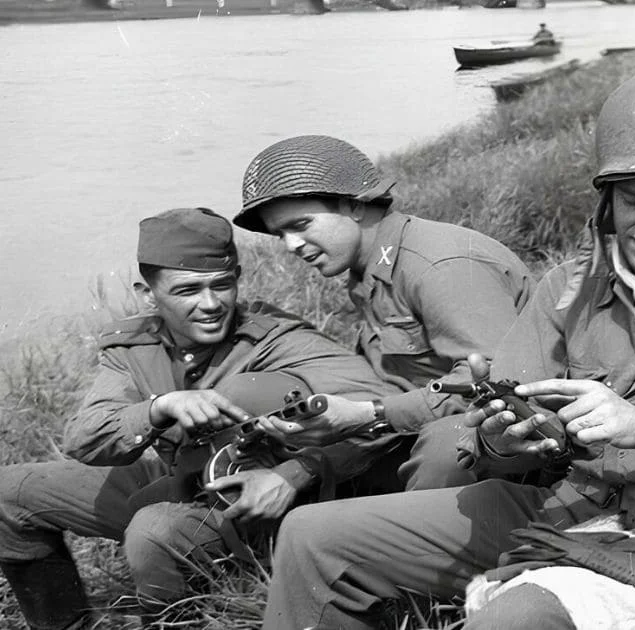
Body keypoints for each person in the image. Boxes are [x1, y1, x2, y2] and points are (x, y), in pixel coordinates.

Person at [259, 67, 635, 630]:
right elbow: (492, 432)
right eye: (633, 202)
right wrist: (501, 439)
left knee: (513, 619)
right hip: (566, 505)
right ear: (607, 199)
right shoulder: (568, 289)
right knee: (312, 537)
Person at [0, 207, 409, 629]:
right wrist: (159, 407)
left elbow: (385, 409)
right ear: (148, 294)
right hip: (177, 477)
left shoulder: (280, 338)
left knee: (153, 531)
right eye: (188, 290)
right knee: (10, 494)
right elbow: (85, 439)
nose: (210, 304)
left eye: (222, 285)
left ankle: (175, 619)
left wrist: (298, 471)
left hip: (255, 504)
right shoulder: (133, 348)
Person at [233, 135, 533, 489]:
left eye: (300, 225)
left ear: (355, 206)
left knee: (442, 451)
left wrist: (368, 414)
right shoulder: (370, 269)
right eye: (278, 234)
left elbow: (498, 385)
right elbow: (401, 379)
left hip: (514, 438)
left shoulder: (439, 267)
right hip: (433, 420)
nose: (291, 246)